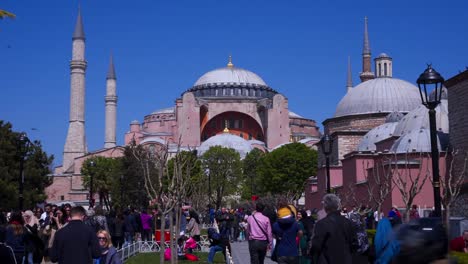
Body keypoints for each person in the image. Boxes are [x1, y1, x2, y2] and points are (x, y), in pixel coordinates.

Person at [310, 194, 356, 264]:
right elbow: (354, 243)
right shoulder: (348, 222)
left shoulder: (322, 224)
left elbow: (316, 246)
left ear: (325, 206)